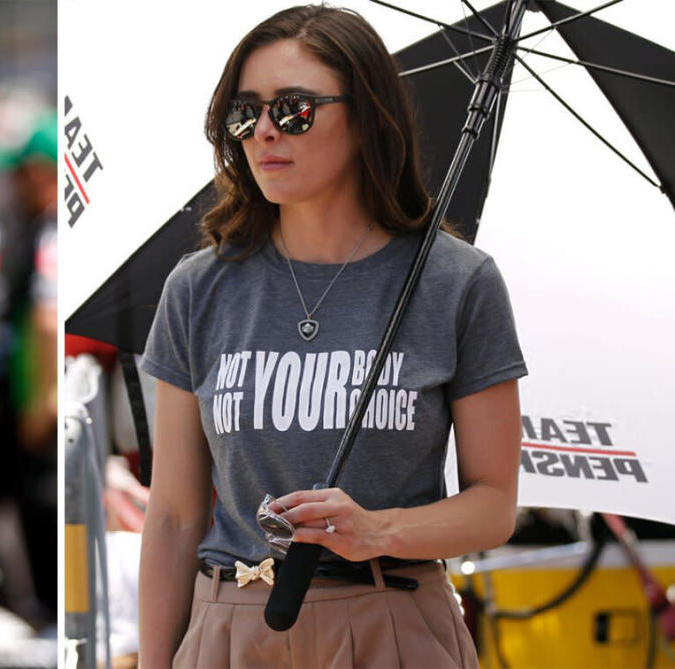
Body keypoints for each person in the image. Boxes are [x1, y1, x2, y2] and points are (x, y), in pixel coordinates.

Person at [137, 6, 526, 668]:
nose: (262, 131)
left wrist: (379, 528)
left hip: (394, 622)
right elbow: (173, 515)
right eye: (244, 111)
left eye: (293, 109)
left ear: (368, 116)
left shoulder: (455, 282)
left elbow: (494, 505)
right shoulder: (198, 287)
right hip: (233, 625)